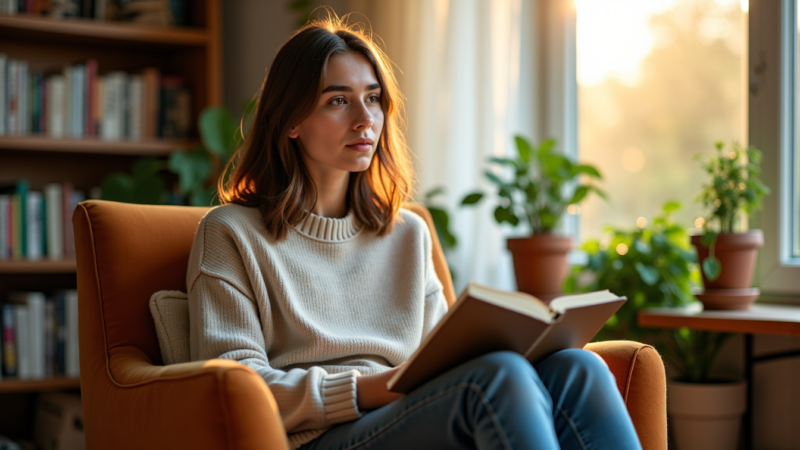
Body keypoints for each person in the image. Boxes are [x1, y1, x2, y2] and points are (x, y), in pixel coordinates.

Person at [186, 14, 643, 450]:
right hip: (321, 438)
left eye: (373, 98)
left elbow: (442, 356)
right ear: (290, 121)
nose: (364, 119)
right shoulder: (231, 233)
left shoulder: (407, 233)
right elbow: (234, 383)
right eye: (338, 100)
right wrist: (370, 388)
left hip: (411, 416)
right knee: (496, 377)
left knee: (577, 366)